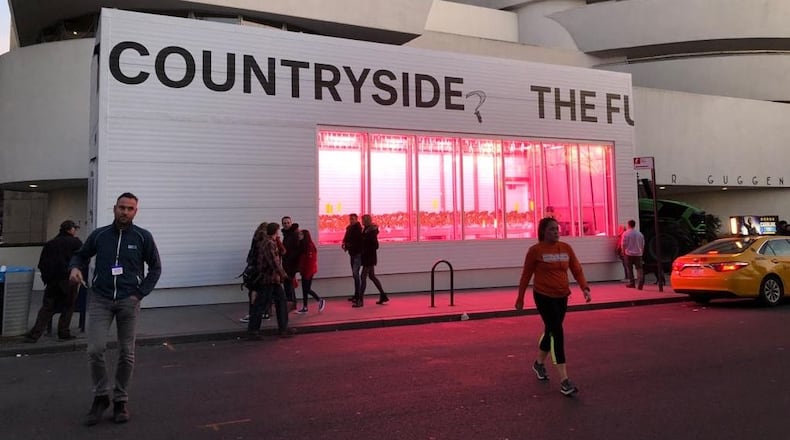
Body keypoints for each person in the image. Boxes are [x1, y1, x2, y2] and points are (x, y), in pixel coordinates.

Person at [69, 193, 161, 425]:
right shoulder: (99, 235)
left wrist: (139, 293)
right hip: (100, 299)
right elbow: (80, 256)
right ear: (114, 208)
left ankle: (120, 400)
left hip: (128, 301)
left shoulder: (142, 237)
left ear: (135, 211)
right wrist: (74, 268)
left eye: (130, 208)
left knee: (126, 353)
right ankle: (101, 397)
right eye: (122, 207)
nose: (125, 212)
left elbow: (155, 268)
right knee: (95, 349)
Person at [514, 217, 591, 397]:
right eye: (551, 229)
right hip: (543, 296)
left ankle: (538, 364)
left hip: (562, 296)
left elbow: (576, 268)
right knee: (557, 332)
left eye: (557, 229)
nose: (556, 232)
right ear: (543, 232)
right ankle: (564, 380)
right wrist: (520, 297)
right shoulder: (535, 251)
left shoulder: (566, 248)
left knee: (550, 330)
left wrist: (584, 288)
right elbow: (526, 275)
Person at [24, 220, 83, 342]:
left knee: (47, 307)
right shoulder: (76, 243)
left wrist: (47, 278)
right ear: (70, 230)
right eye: (74, 228)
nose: (75, 231)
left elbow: (43, 263)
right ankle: (63, 332)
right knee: (68, 306)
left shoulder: (51, 243)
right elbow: (82, 258)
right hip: (69, 279)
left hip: (53, 280)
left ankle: (35, 334)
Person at [248, 222, 295, 339]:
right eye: (278, 231)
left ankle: (283, 329)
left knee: (281, 302)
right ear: (275, 231)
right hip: (269, 279)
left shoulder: (268, 242)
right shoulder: (268, 243)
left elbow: (282, 252)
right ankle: (254, 331)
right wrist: (284, 275)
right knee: (262, 304)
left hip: (272, 279)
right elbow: (273, 262)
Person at [239, 222, 268, 324]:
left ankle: (253, 314)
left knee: (253, 292)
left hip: (254, 270)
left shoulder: (256, 239)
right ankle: (262, 313)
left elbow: (252, 254)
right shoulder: (266, 241)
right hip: (262, 270)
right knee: (263, 292)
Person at [356, 214, 388, 307]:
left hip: (369, 257)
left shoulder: (370, 231)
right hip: (368, 256)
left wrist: (365, 241)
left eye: (363, 220)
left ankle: (360, 300)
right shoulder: (366, 229)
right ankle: (383, 295)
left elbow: (375, 245)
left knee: (363, 276)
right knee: (372, 276)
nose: (361, 221)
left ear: (366, 220)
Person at [296, 229, 325, 313]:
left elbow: (310, 261)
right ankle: (305, 307)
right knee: (304, 289)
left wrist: (306, 272)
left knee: (307, 289)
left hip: (308, 271)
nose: (299, 236)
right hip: (304, 271)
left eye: (301, 234)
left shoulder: (309, 246)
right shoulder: (303, 245)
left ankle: (319, 300)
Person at [341, 213, 363, 303]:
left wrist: (348, 245)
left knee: (355, 274)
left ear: (356, 219)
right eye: (350, 219)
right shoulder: (349, 228)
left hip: (357, 253)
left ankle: (358, 295)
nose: (351, 220)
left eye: (353, 219)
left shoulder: (358, 229)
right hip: (352, 253)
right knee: (355, 275)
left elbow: (357, 241)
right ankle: (356, 294)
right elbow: (346, 238)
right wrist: (345, 244)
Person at [281, 216, 301, 310]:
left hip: (291, 263)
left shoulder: (294, 234)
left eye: (288, 223)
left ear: (291, 223)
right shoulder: (287, 234)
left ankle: (291, 303)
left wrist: (288, 257)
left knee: (288, 283)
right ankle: (291, 303)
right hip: (287, 262)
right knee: (288, 283)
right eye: (284, 223)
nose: (286, 224)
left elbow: (297, 249)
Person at [622, 219, 645, 290]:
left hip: (628, 254)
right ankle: (640, 282)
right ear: (634, 225)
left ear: (628, 225)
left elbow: (623, 244)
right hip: (638, 254)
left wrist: (623, 252)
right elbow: (643, 244)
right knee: (639, 269)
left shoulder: (626, 233)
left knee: (630, 269)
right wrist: (641, 253)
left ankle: (632, 283)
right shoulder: (639, 234)